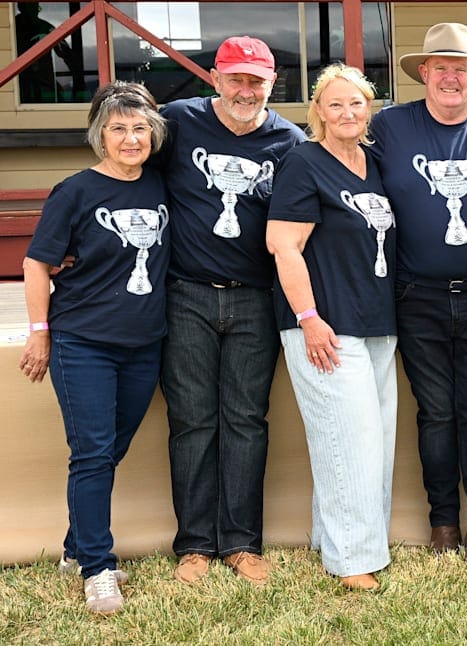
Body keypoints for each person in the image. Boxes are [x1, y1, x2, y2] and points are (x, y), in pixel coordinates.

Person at [152, 36, 306, 585]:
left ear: (272, 84)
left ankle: (242, 543)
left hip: (256, 296)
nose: (246, 90)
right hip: (186, 291)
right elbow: (127, 170)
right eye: (235, 79)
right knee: (192, 420)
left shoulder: (289, 140)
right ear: (215, 78)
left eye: (256, 81)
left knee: (245, 420)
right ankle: (194, 546)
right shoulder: (176, 123)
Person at [368, 23, 467, 570]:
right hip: (414, 294)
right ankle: (442, 522)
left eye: (461, 68)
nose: (451, 77)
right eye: (440, 67)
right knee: (434, 414)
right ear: (423, 73)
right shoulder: (387, 127)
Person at [19, 81, 169, 614]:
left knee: (108, 451)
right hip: (83, 342)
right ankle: (98, 568)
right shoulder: (75, 191)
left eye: (139, 128)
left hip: (145, 344)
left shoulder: (160, 185)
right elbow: (37, 263)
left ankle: (73, 549)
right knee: (92, 453)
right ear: (99, 136)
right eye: (118, 128)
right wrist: (40, 331)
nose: (131, 138)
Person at [266, 64, 396, 591]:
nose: (347, 113)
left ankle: (334, 538)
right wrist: (309, 318)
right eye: (335, 104)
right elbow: (283, 244)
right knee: (350, 441)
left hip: (377, 320)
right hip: (324, 323)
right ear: (318, 110)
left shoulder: (375, 162)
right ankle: (353, 562)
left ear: (370, 111)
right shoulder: (302, 163)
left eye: (357, 104)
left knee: (372, 438)